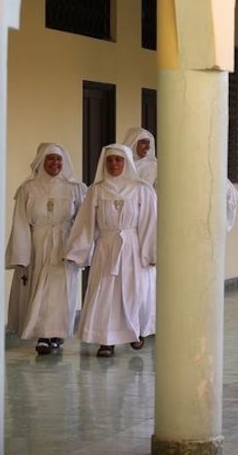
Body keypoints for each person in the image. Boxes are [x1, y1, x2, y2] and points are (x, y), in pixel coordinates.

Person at [65, 144, 157, 357]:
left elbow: (150, 223)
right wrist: (76, 251)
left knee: (136, 291)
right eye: (110, 160)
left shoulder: (142, 189)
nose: (114, 164)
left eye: (118, 160)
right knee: (106, 292)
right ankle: (106, 340)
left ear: (126, 163)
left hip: (133, 247)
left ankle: (136, 331)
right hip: (106, 248)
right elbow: (86, 224)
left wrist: (151, 253)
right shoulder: (97, 190)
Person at [5, 143, 87, 355]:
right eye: (50, 159)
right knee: (40, 288)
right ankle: (43, 334)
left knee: (61, 290)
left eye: (59, 159)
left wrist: (79, 250)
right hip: (38, 243)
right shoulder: (28, 189)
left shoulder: (75, 188)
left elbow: (82, 221)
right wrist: (21, 254)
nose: (55, 163)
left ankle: (56, 333)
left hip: (64, 244)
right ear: (41, 161)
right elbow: (21, 223)